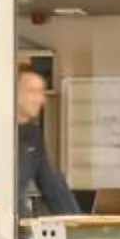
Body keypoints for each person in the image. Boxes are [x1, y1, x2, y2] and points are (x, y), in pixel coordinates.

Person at [16, 66, 80, 217]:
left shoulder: (33, 135)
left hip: (19, 226)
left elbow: (51, 185)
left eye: (41, 92)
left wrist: (78, 224)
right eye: (32, 91)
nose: (40, 99)